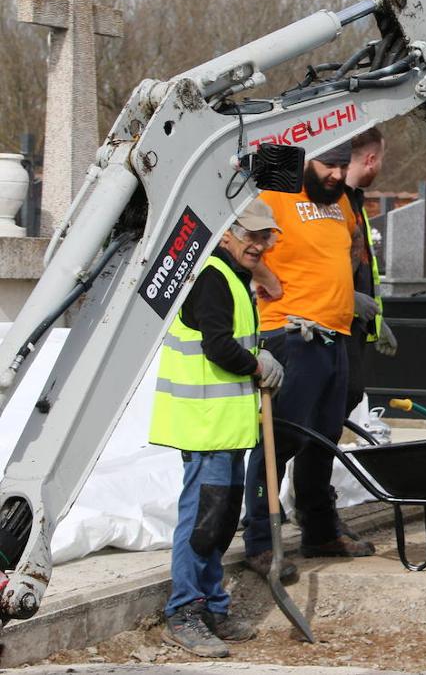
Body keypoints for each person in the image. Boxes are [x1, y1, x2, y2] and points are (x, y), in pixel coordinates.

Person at [149, 199, 283, 657]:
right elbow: (218, 346)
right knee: (202, 523)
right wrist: (257, 364)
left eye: (267, 236)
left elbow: (269, 297)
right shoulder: (211, 276)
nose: (260, 244)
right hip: (205, 427)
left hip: (225, 426)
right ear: (225, 233)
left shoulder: (233, 276)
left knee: (220, 523)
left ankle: (213, 607)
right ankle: (184, 611)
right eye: (252, 235)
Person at [242, 141, 376, 581]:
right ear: (306, 159)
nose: (337, 175)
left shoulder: (340, 202)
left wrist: (352, 300)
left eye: (343, 165)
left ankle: (319, 529)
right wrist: (262, 275)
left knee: (323, 438)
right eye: (328, 165)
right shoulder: (278, 184)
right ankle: (261, 540)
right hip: (290, 333)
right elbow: (228, 231)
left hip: (334, 333)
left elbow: (343, 255)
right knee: (278, 441)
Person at [343, 127, 399, 417]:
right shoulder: (334, 201)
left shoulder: (355, 202)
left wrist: (376, 321)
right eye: (381, 158)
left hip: (355, 323)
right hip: (335, 322)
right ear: (371, 159)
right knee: (343, 395)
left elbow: (363, 269)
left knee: (349, 396)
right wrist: (347, 297)